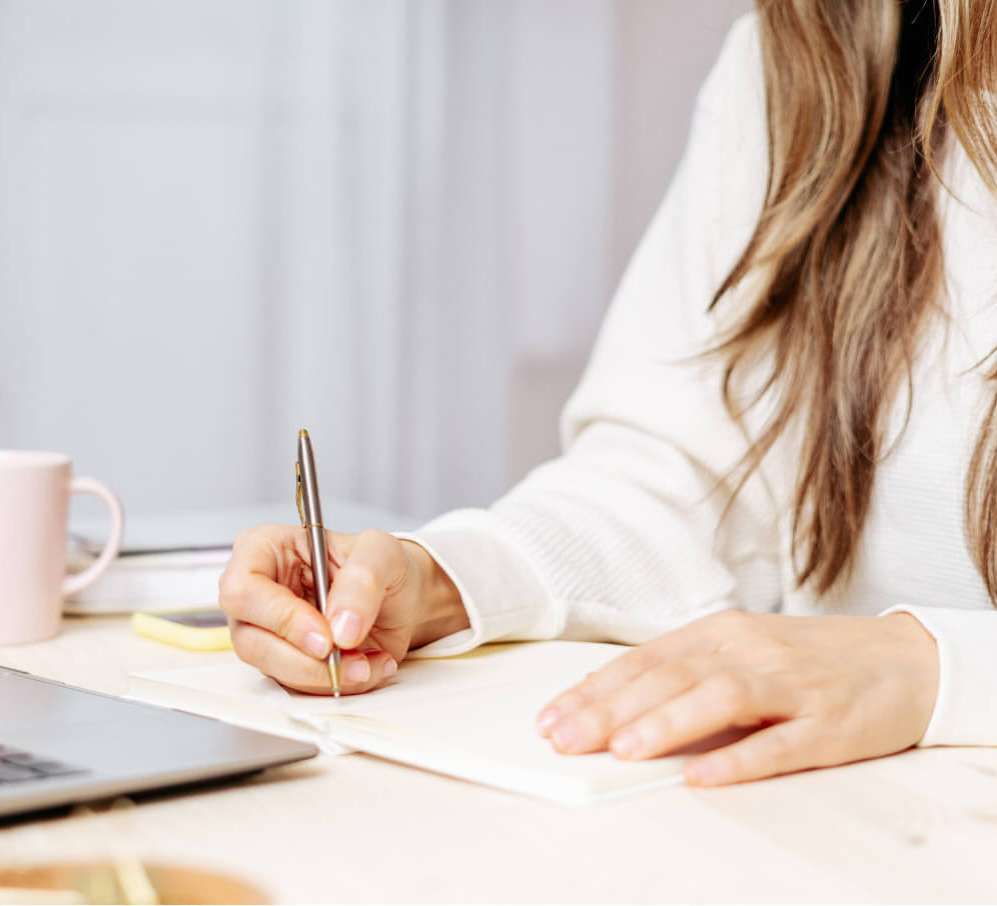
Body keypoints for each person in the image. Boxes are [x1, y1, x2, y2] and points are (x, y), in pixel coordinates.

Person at [219, 0, 997, 787]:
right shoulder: (805, 56)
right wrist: (447, 581)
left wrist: (933, 670)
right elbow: (680, 484)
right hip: (838, 814)